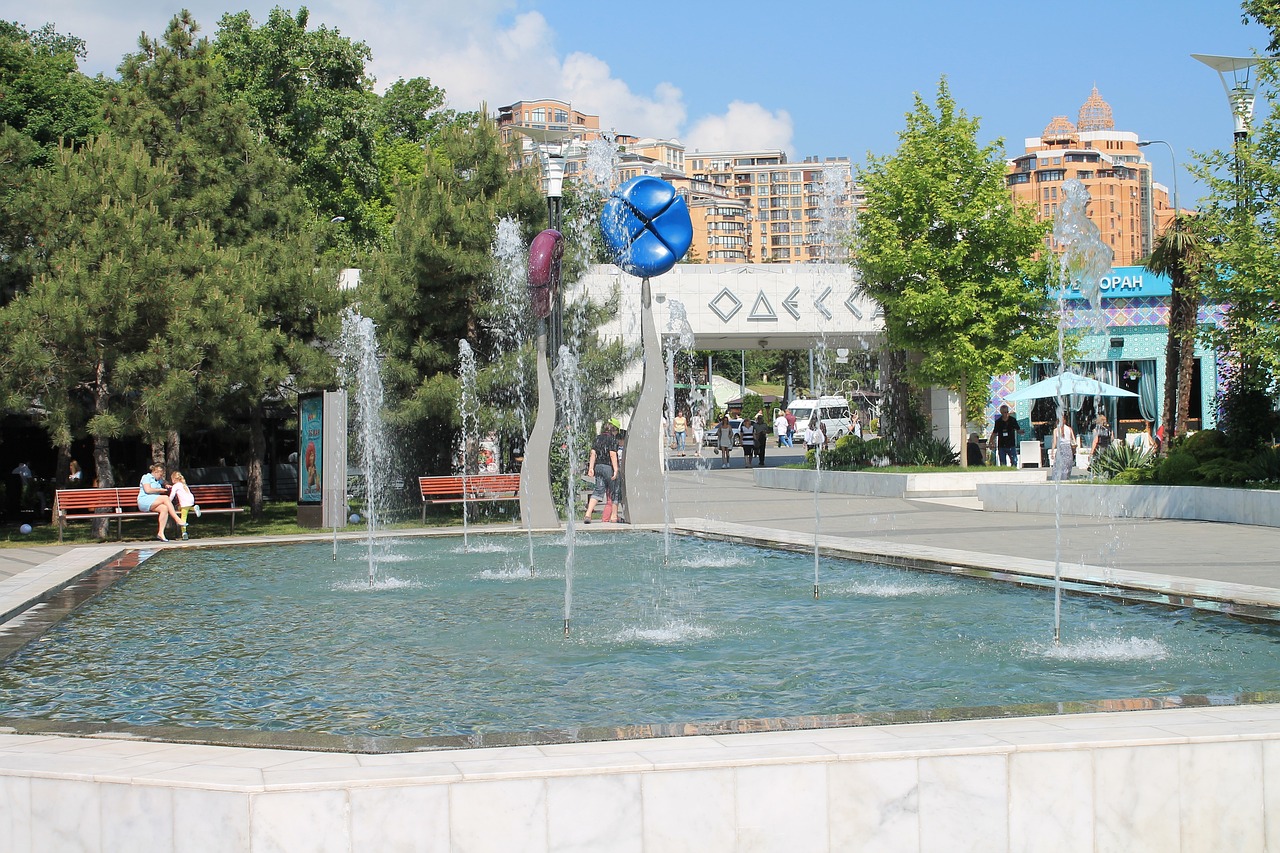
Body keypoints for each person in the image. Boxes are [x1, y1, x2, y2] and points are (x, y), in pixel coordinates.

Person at [583, 425, 619, 524]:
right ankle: (614, 516)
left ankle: (588, 514)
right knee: (614, 491)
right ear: (614, 431)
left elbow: (593, 453)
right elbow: (612, 454)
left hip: (598, 466)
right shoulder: (612, 439)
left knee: (598, 490)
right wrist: (616, 470)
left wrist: (591, 468)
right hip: (608, 467)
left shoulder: (598, 438)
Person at [138, 463, 184, 541]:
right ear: (155, 472)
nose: (161, 477)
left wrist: (166, 485)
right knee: (165, 498)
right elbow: (148, 490)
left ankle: (160, 533)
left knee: (164, 508)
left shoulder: (159, 479)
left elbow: (164, 482)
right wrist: (161, 490)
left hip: (154, 501)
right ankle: (177, 519)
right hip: (144, 500)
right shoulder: (146, 477)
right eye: (160, 475)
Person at [168, 471, 201, 539]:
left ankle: (184, 533)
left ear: (174, 479)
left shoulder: (175, 486)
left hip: (185, 503)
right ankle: (194, 508)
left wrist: (168, 502)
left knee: (183, 518)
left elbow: (172, 495)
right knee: (180, 507)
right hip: (190, 502)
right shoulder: (183, 484)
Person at [1051, 414, 1077, 481]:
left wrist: (1052, 452)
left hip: (1060, 449)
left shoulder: (1056, 430)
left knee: (1058, 465)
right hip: (1068, 449)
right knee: (1067, 465)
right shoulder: (1069, 429)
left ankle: (1058, 479)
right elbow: (1074, 441)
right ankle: (1066, 479)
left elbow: (1054, 442)